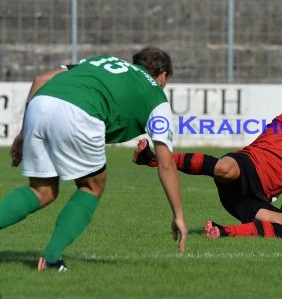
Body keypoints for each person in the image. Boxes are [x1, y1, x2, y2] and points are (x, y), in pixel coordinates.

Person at [1, 47, 187, 272]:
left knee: (42, 191)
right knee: (92, 186)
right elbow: (166, 163)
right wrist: (178, 215)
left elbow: (41, 78)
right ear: (163, 76)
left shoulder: (103, 61)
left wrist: (23, 133)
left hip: (41, 103)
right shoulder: (157, 96)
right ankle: (50, 259)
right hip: (81, 112)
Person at [134, 85, 282, 238]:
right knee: (225, 168)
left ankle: (223, 231)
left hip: (251, 196)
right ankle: (154, 158)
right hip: (248, 166)